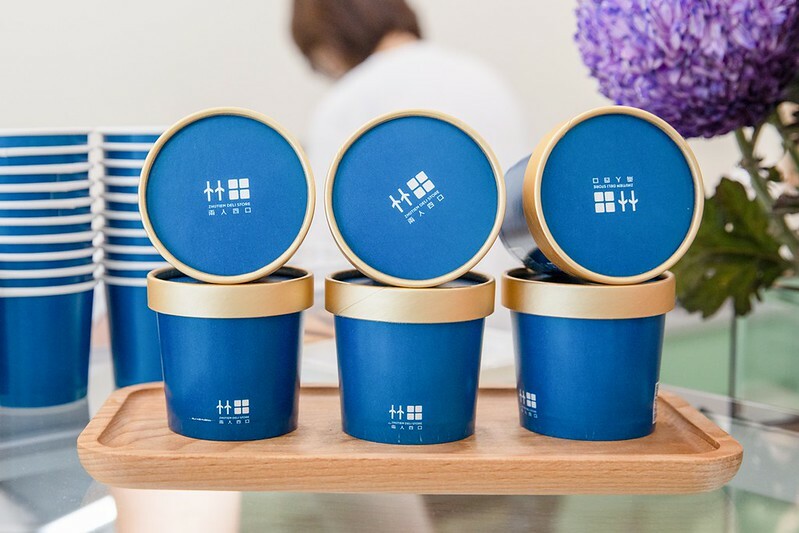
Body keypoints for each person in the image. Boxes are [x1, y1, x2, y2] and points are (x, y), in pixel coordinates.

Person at [291, 0, 528, 336]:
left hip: (400, 338)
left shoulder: (348, 101)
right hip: (503, 327)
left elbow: (324, 266)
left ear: (326, 48)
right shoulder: (486, 80)